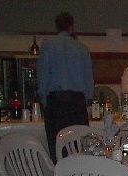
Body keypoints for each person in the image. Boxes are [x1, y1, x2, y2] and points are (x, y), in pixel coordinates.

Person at [37, 11, 93, 163]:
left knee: (58, 147)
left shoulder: (48, 45)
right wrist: (86, 101)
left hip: (56, 103)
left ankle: (60, 175)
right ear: (71, 27)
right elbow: (88, 80)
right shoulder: (82, 48)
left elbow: (42, 76)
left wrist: (44, 102)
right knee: (78, 146)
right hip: (77, 103)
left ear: (57, 27)